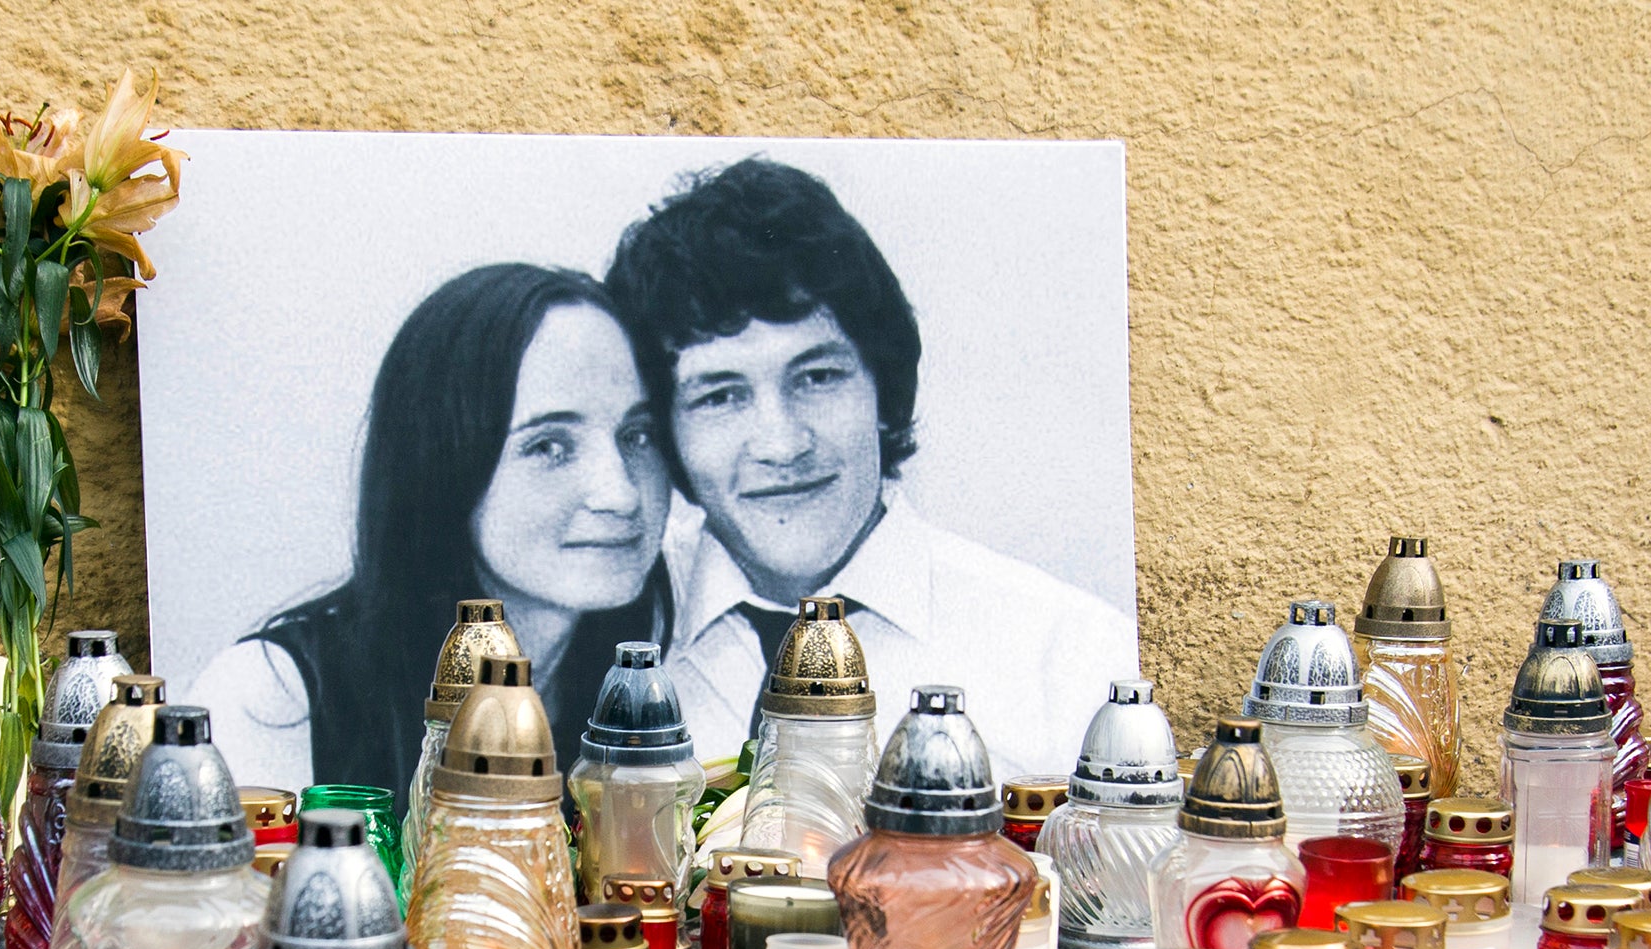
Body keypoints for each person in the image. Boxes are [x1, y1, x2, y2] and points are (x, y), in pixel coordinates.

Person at [606, 159, 1140, 783]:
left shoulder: (1073, 659)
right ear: (666, 430)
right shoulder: (596, 638)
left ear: (882, 390)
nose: (781, 444)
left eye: (818, 376)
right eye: (720, 396)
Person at [193, 264, 672, 794]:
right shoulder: (274, 696)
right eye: (548, 446)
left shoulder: (651, 682)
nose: (621, 494)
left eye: (637, 434)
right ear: (443, 465)